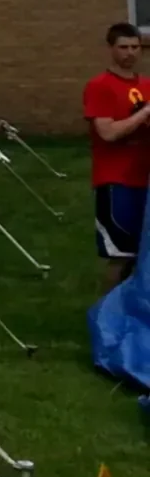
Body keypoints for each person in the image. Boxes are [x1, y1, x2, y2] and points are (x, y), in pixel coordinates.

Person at [85, 22, 150, 295]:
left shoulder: (147, 85)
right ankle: (106, 316)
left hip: (145, 180)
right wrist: (144, 113)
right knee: (121, 254)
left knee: (142, 253)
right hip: (116, 182)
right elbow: (108, 132)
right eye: (123, 47)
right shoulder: (100, 86)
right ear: (111, 48)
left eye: (135, 47)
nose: (130, 53)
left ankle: (132, 312)